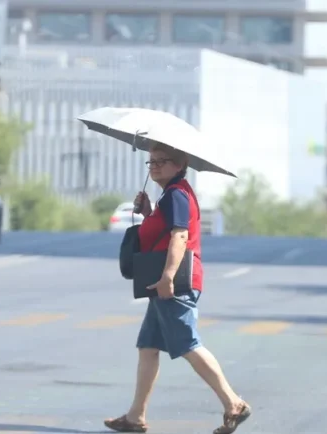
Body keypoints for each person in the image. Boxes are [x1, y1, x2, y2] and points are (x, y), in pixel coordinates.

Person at [104, 143, 251, 434]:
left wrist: (169, 277)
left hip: (174, 283)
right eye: (151, 162)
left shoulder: (177, 195)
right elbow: (162, 234)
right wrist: (148, 213)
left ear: (179, 165)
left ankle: (233, 402)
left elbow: (180, 236)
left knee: (188, 344)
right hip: (163, 283)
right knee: (148, 347)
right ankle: (136, 417)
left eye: (162, 161)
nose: (155, 166)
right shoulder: (168, 196)